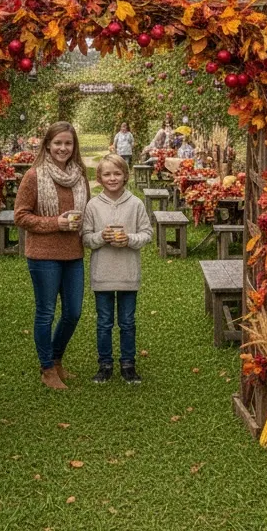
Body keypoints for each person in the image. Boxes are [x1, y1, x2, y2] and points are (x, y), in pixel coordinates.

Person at [13, 121, 90, 390]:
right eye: (57, 143)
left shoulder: (80, 176)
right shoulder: (34, 176)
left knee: (73, 312)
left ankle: (56, 359)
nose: (63, 148)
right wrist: (56, 223)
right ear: (47, 144)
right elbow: (21, 216)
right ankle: (47, 368)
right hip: (43, 254)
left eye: (68, 143)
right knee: (46, 312)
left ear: (74, 146)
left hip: (73, 253)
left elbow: (88, 210)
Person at [82, 154, 152, 384]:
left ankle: (128, 363)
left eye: (117, 173)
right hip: (102, 273)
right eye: (107, 174)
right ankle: (105, 363)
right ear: (99, 178)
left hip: (127, 273)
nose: (112, 178)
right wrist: (101, 237)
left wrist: (129, 239)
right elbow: (86, 238)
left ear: (125, 176)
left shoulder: (135, 204)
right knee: (104, 321)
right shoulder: (93, 205)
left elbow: (146, 234)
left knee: (127, 321)